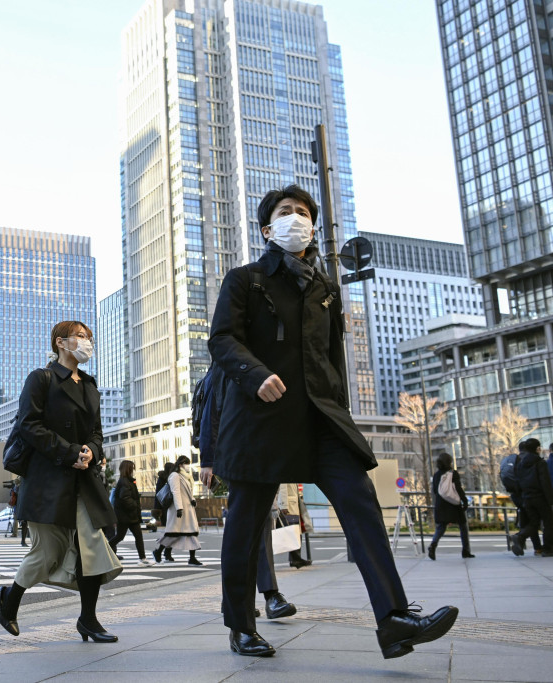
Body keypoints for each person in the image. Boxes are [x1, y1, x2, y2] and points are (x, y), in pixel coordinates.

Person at [206, 185, 458, 659]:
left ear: (314, 227)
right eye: (285, 212)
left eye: (303, 213)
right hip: (260, 418)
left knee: (359, 501)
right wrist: (255, 374)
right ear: (267, 229)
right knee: (247, 522)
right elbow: (221, 340)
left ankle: (394, 619)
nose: (296, 218)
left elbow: (332, 361)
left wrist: (341, 411)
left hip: (321, 418)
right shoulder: (245, 280)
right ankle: (241, 625)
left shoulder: (326, 290)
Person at [0, 321, 122, 643]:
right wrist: (68, 453)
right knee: (47, 552)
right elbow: (29, 425)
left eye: (89, 337)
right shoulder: (42, 378)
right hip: (48, 478)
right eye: (80, 336)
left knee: (91, 547)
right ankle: (9, 599)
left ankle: (88, 620)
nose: (86, 342)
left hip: (84, 480)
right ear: (61, 342)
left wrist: (90, 452)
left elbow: (96, 433)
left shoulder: (90, 385)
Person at [152, 455, 202, 565]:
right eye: (186, 463)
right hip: (177, 510)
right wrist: (179, 508)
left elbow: (188, 492)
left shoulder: (187, 477)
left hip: (188, 509)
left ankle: (192, 558)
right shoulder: (174, 476)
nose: (188, 466)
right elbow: (176, 492)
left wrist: (193, 500)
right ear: (180, 465)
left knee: (191, 533)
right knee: (172, 534)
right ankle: (158, 551)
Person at [510, 438, 553, 557]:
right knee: (549, 522)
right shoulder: (540, 463)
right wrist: (550, 499)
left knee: (534, 523)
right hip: (540, 497)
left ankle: (520, 536)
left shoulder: (521, 463)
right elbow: (545, 482)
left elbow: (517, 482)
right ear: (537, 449)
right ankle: (548, 549)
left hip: (526, 498)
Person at [428, 452, 473, 560]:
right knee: (463, 526)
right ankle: (465, 551)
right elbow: (458, 488)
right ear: (450, 462)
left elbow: (435, 490)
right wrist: (464, 501)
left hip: (441, 504)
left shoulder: (436, 475)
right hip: (453, 504)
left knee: (441, 527)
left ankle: (433, 545)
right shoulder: (453, 473)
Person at [109, 460, 153, 566]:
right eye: (132, 468)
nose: (133, 470)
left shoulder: (126, 481)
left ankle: (143, 558)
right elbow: (125, 498)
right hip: (127, 515)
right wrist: (134, 505)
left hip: (128, 515)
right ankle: (142, 559)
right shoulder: (125, 482)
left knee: (131, 536)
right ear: (128, 469)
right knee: (121, 536)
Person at [151, 463, 175, 562]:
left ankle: (165, 552)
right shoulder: (165, 479)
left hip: (168, 508)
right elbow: (159, 495)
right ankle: (162, 551)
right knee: (171, 532)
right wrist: (158, 510)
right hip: (166, 508)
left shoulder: (166, 478)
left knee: (172, 532)